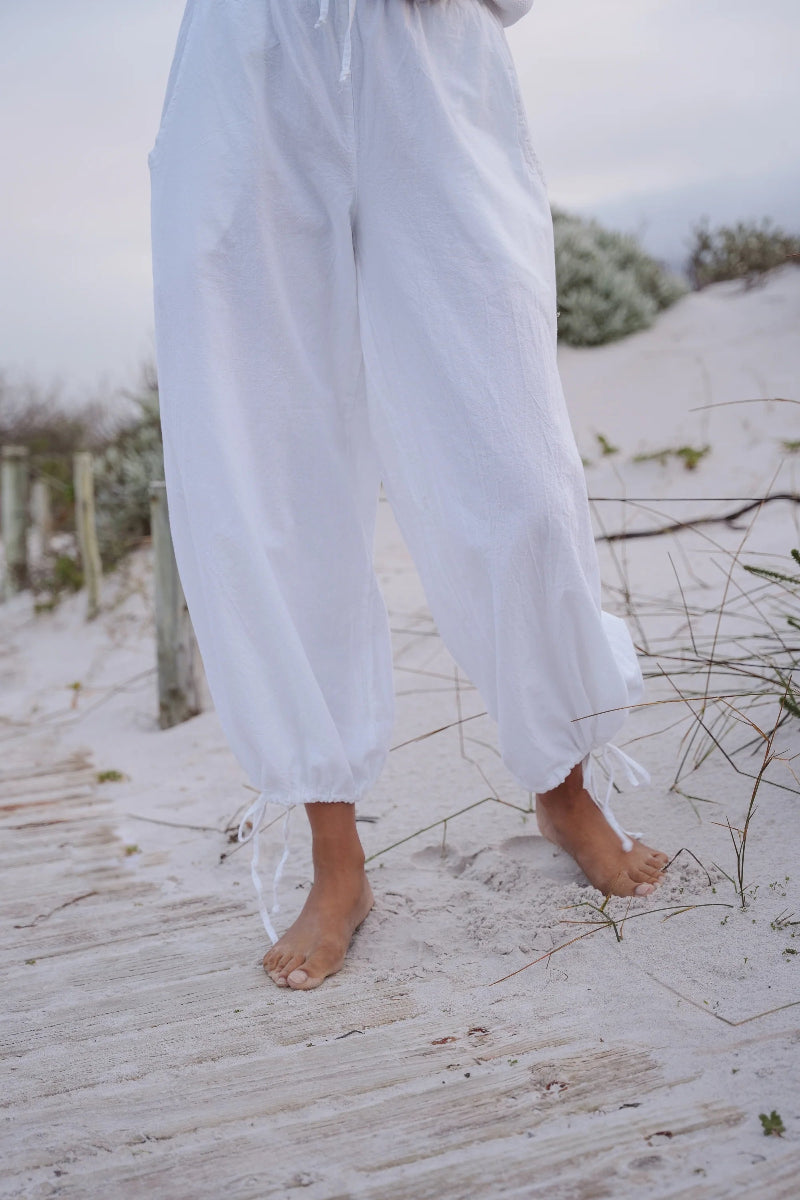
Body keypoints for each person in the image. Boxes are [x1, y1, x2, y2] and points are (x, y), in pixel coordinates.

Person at [148, 0, 668, 993]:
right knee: (265, 465)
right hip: (250, 51)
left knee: (512, 455)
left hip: (428, 51)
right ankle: (334, 856)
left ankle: (562, 783)